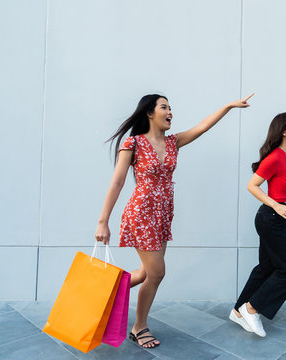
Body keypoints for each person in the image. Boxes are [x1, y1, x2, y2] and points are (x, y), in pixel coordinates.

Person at [94, 93, 254, 348]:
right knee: (157, 273)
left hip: (162, 215)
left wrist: (228, 106)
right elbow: (117, 181)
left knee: (147, 272)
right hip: (141, 212)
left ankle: (104, 291)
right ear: (149, 113)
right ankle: (139, 327)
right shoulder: (133, 143)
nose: (170, 112)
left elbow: (201, 128)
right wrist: (103, 221)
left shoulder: (173, 142)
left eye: (170, 108)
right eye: (164, 107)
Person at [230, 111, 286, 337]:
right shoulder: (274, 157)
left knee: (265, 268)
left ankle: (237, 311)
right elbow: (252, 185)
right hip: (269, 218)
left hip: (278, 219)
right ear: (284, 130)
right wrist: (276, 206)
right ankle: (251, 308)